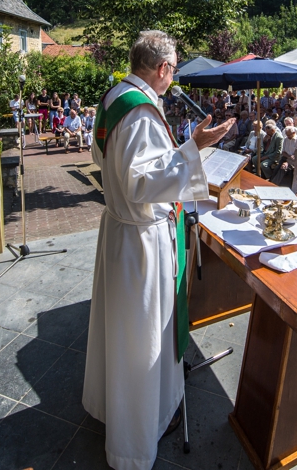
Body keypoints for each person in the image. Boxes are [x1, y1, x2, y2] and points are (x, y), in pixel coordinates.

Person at [84, 31, 236, 469]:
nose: (173, 78)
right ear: (164, 68)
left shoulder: (114, 96)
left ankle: (120, 409)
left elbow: (101, 156)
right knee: (142, 334)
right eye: (174, 69)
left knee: (124, 329)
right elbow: (142, 182)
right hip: (140, 240)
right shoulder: (142, 111)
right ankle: (136, 433)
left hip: (119, 230)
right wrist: (195, 147)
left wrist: (180, 152)